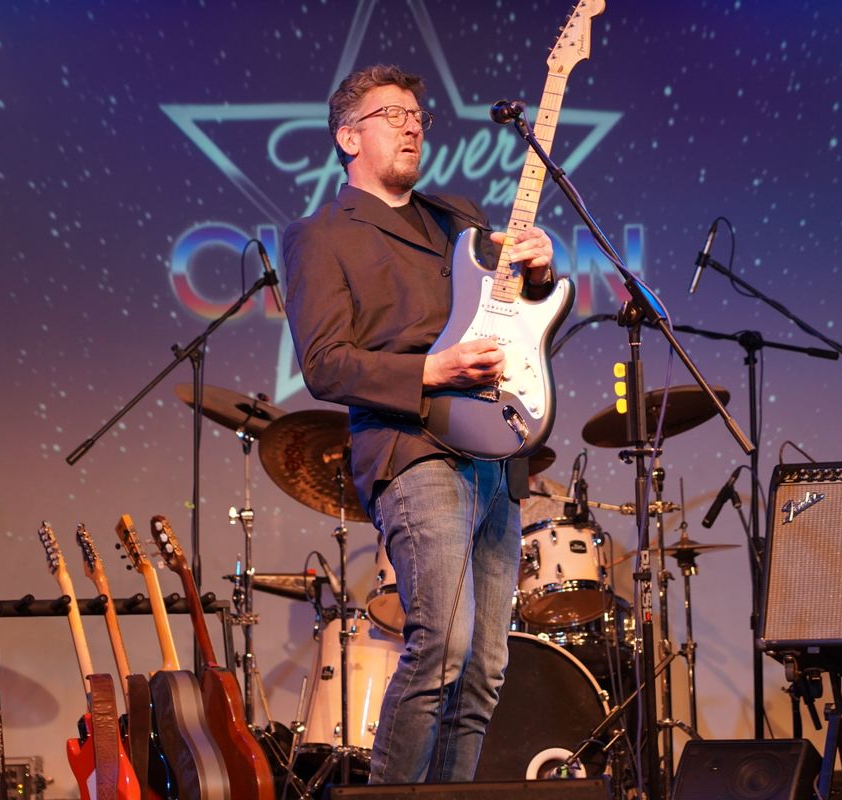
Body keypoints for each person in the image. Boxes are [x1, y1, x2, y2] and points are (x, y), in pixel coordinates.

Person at [282, 64, 556, 784]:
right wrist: (430, 372)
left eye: (417, 115)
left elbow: (514, 318)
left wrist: (537, 273)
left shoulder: (458, 214)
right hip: (415, 448)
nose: (411, 124)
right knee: (442, 647)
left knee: (486, 669)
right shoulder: (319, 236)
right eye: (391, 114)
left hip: (496, 454)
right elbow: (325, 363)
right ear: (348, 136)